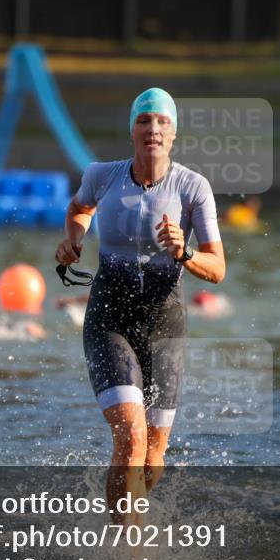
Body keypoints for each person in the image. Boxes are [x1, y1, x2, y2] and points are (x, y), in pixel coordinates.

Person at [55, 88, 226, 525]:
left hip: (165, 324)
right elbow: (79, 208)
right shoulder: (102, 175)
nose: (153, 129)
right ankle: (128, 556)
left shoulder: (193, 188)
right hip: (109, 316)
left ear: (173, 132)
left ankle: (126, 516)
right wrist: (73, 239)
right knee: (130, 436)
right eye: (144, 121)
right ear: (132, 129)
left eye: (162, 122)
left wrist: (184, 252)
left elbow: (218, 267)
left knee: (152, 461)